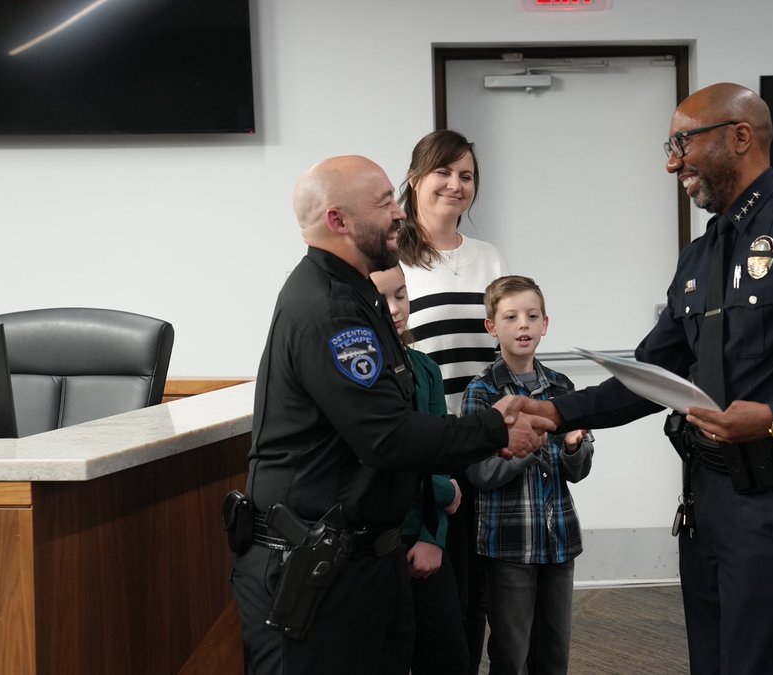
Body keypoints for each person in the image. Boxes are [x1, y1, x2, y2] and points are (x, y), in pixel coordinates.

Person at [519, 83, 773, 675]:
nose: (671, 160)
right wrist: (555, 414)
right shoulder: (699, 256)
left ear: (739, 137)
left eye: (682, 141)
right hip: (706, 498)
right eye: (670, 144)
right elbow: (651, 373)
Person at [232, 154, 553, 675]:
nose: (399, 214)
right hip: (314, 564)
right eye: (383, 203)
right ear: (338, 220)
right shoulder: (330, 308)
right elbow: (387, 437)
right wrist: (494, 428)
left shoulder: (360, 296)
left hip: (363, 559)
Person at [396, 129, 510, 672]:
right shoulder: (394, 254)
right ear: (416, 178)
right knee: (441, 588)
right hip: (429, 445)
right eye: (443, 172)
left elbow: (503, 342)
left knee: (482, 589)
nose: (455, 185)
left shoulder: (489, 256)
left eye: (466, 176)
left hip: (484, 442)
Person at [460, 275, 594, 675]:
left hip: (558, 540)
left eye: (532, 316)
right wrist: (525, 449)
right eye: (511, 317)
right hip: (509, 544)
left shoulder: (563, 387)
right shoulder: (482, 393)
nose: (523, 325)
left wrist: (573, 447)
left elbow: (580, 470)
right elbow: (480, 472)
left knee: (553, 652)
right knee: (511, 652)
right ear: (492, 327)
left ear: (545, 324)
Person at [371, 264, 468, 674]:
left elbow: (436, 458)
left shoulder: (425, 369)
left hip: (422, 535)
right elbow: (393, 457)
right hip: (376, 543)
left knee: (448, 657)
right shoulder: (359, 371)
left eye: (402, 295)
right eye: (383, 298)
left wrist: (433, 537)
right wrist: (445, 493)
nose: (395, 308)